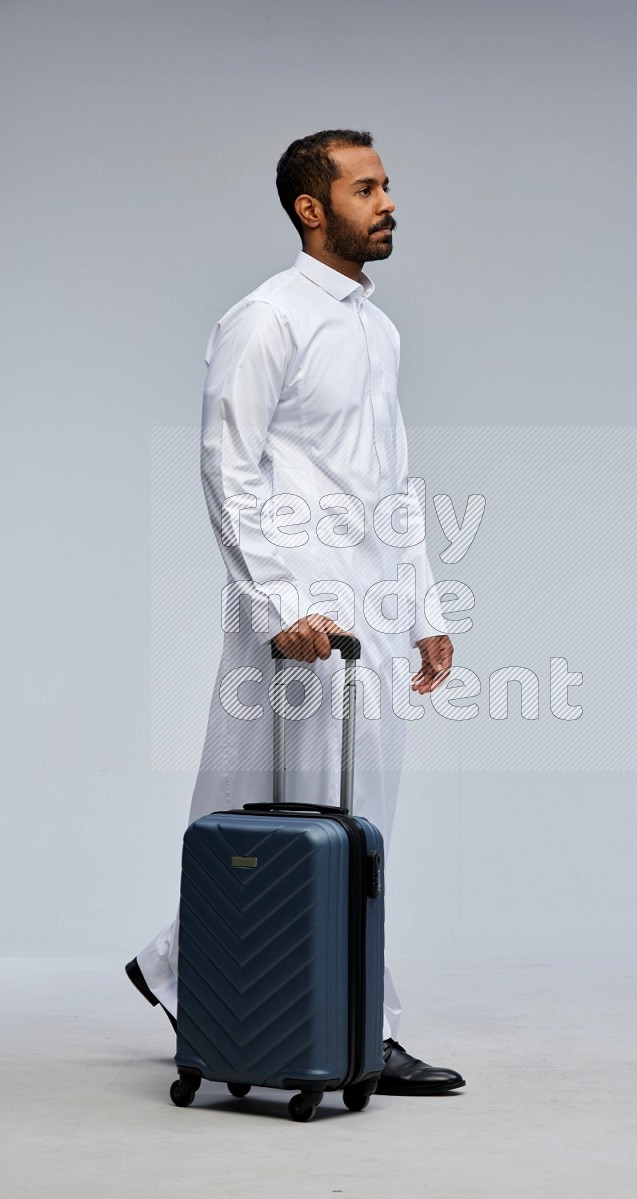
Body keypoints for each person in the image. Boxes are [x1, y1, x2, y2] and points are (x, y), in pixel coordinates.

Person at [126, 129, 465, 1096]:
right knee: (277, 809)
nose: (388, 201)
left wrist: (426, 608)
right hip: (300, 610)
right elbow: (225, 465)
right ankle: (330, 1012)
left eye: (389, 184)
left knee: (364, 824)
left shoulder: (377, 329)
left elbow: (393, 481)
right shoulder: (266, 318)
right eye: (367, 188)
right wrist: (277, 604)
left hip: (376, 610)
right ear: (312, 208)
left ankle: (298, 1004)